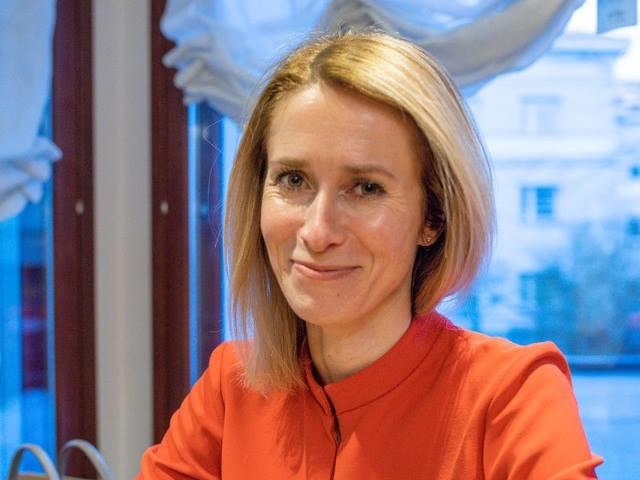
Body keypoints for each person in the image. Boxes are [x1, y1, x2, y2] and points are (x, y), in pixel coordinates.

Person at [137, 31, 603, 479]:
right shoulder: (231, 383)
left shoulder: (511, 396)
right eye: (293, 180)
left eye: (365, 188)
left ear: (433, 217)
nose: (317, 232)